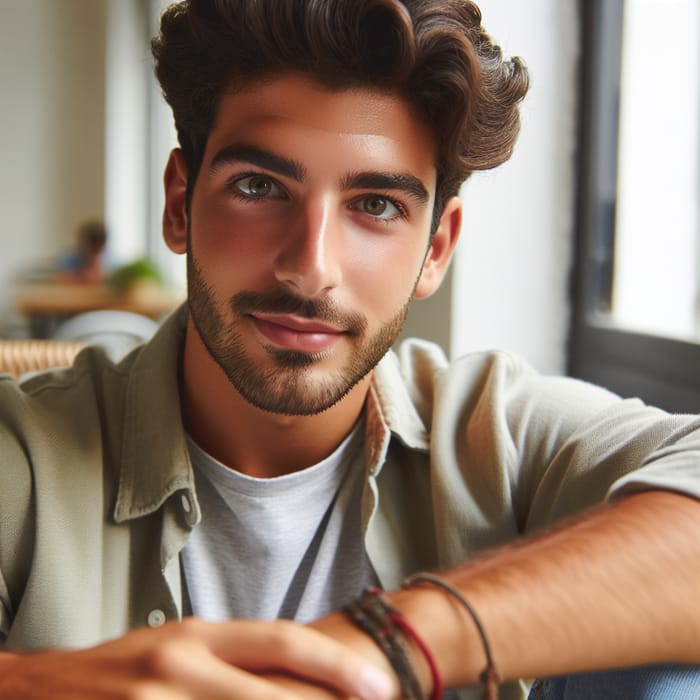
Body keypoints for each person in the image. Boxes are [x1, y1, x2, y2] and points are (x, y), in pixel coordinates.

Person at [0, 1, 699, 698]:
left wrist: (397, 643)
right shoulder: (22, 458)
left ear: (437, 248)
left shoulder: (504, 441)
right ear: (180, 204)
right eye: (258, 187)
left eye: (376, 206)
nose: (311, 267)